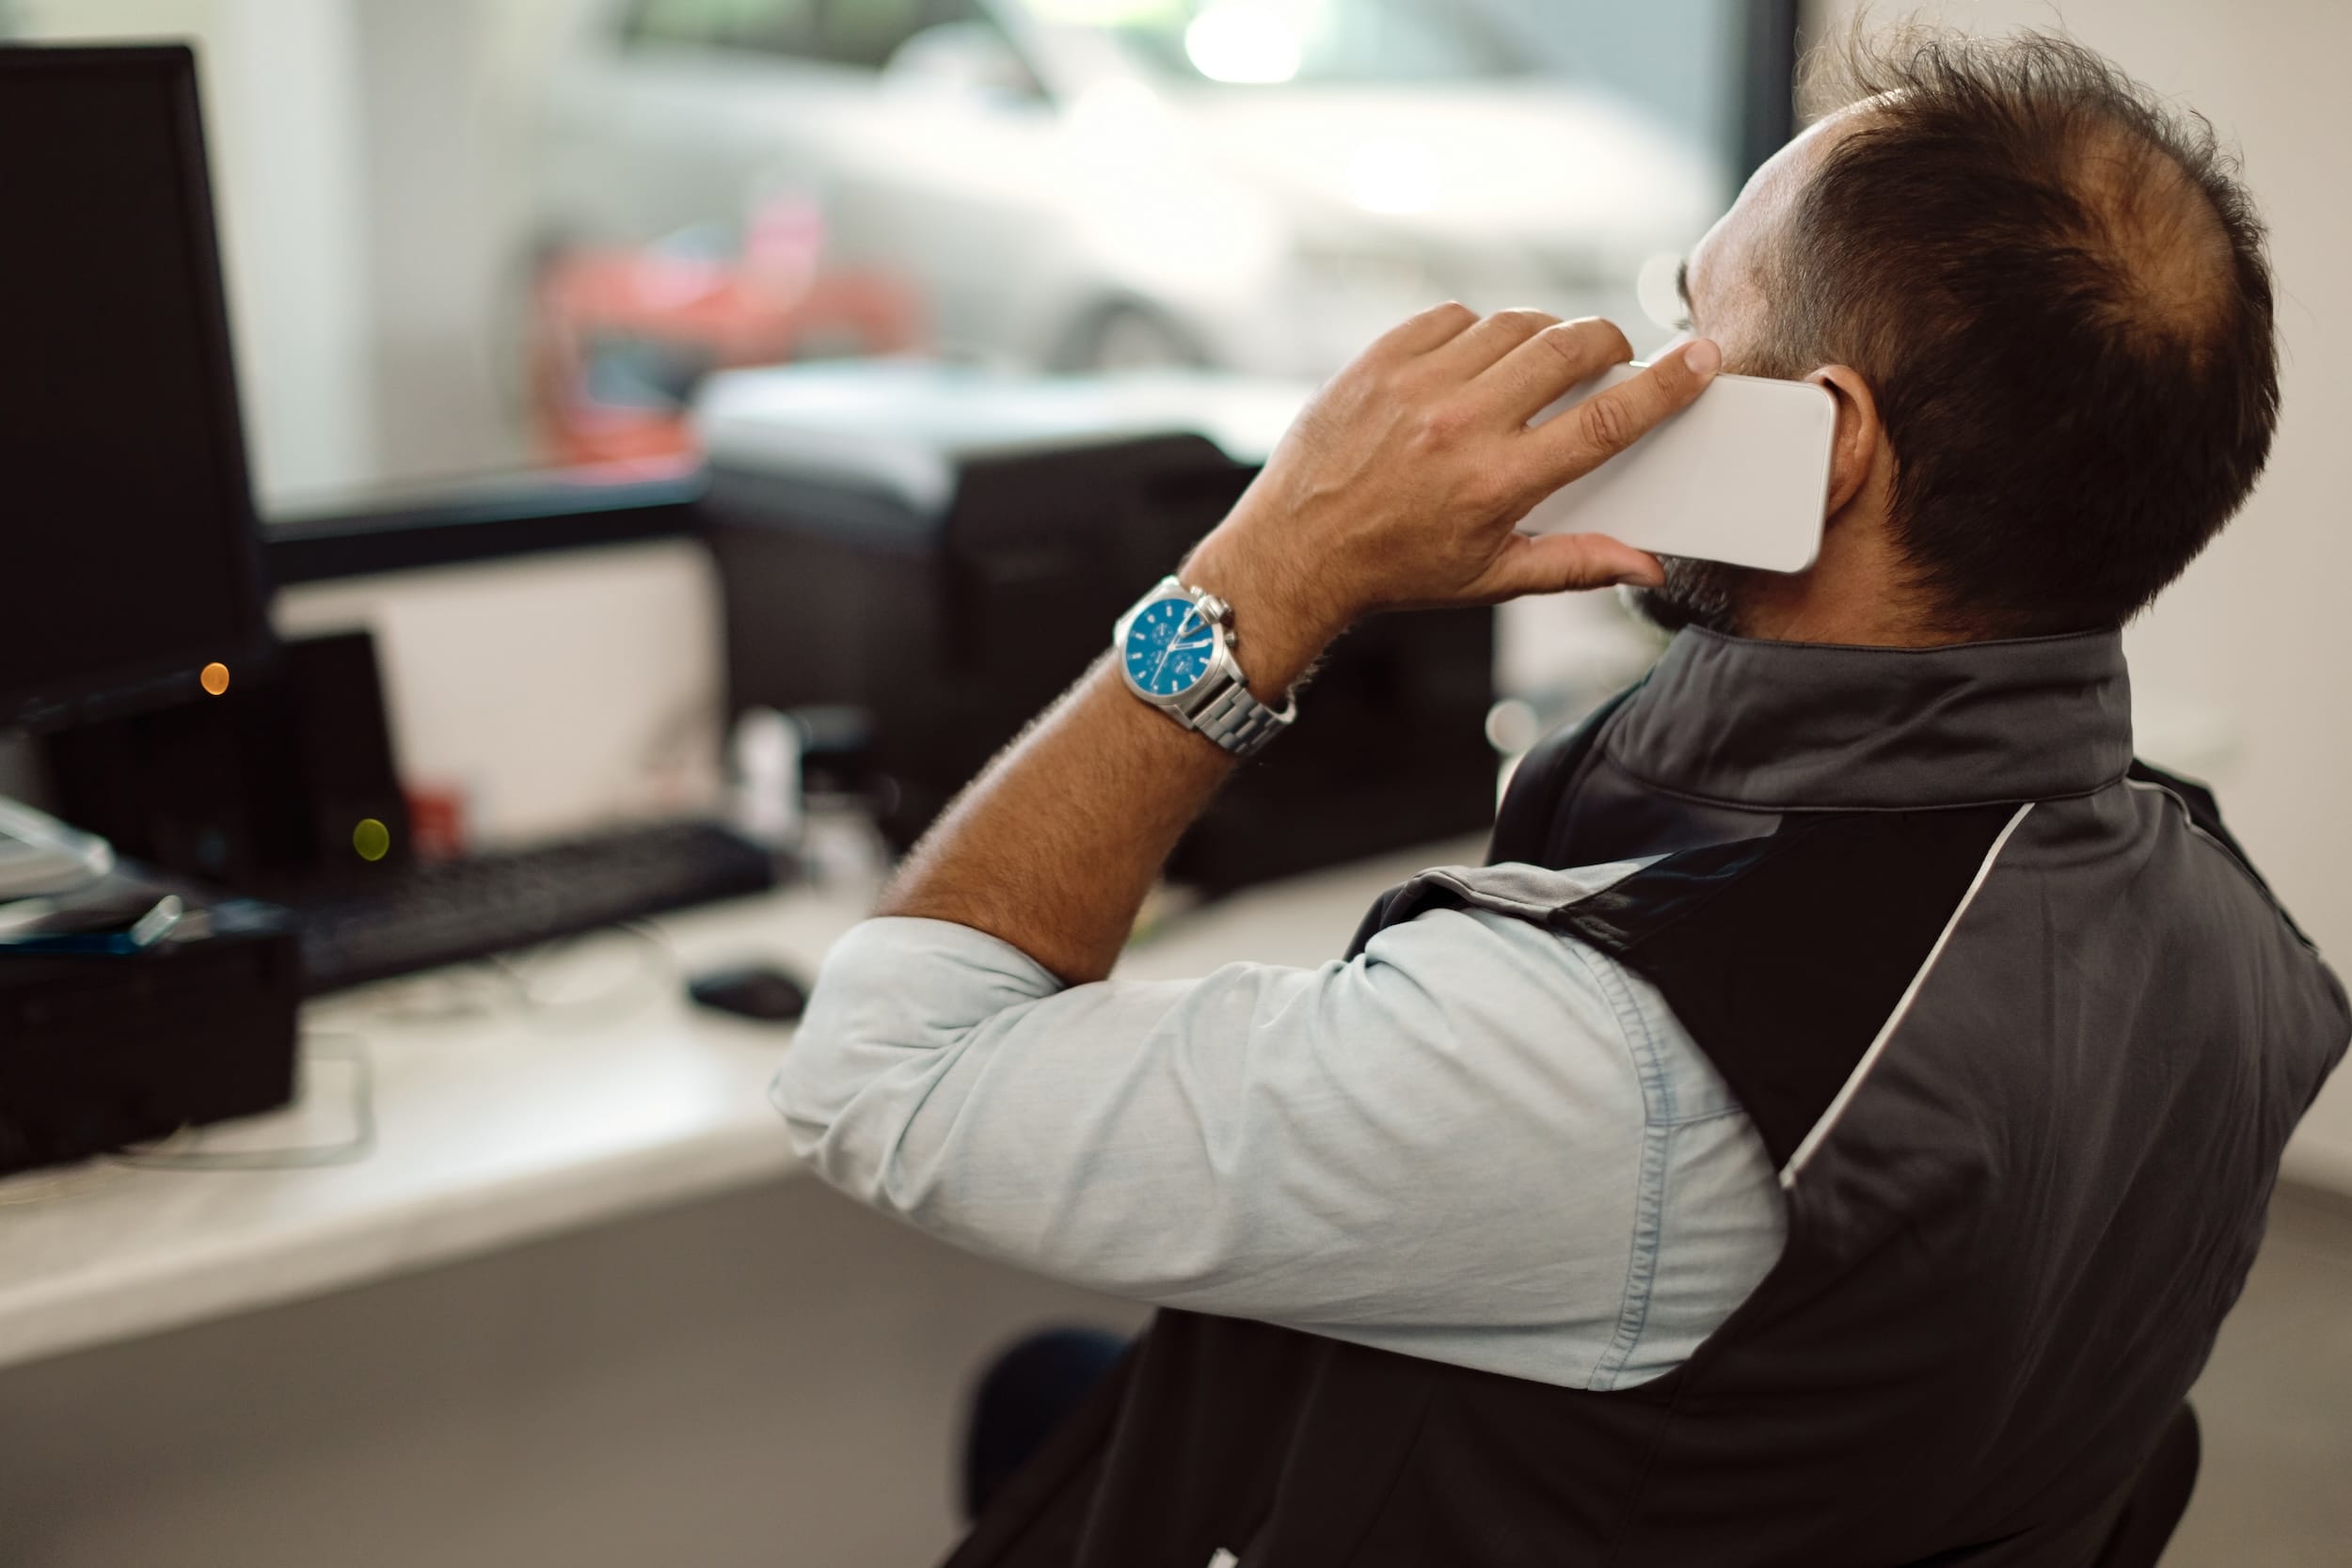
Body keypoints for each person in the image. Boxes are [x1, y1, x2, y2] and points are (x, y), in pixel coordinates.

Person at [774, 26, 2349, 1567]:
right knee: (1054, 1397)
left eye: (1693, 323)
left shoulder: (1614, 1063)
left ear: (1823, 451)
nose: (1648, 377)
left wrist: (1275, 563)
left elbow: (885, 1072)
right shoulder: (2230, 926)